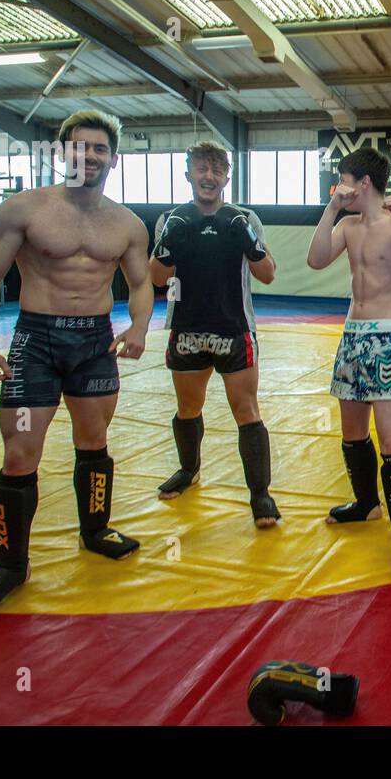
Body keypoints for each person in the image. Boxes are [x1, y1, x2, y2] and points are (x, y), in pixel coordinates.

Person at [0, 109, 151, 613]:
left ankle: (96, 529)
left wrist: (139, 327)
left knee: (94, 440)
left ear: (114, 157)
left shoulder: (126, 223)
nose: (89, 156)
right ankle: (9, 568)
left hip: (94, 344)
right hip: (36, 343)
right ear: (61, 152)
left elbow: (140, 283)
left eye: (99, 148)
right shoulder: (23, 210)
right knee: (20, 452)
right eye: (79, 147)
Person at [307, 147, 391, 592]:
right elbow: (315, 260)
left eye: (342, 179)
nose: (339, 185)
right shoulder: (346, 225)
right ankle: (367, 503)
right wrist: (330, 208)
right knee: (352, 433)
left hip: (387, 337)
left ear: (361, 182)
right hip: (352, 335)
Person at [148, 139, 279, 525]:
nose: (209, 176)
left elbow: (268, 274)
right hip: (186, 328)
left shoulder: (245, 217)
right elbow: (157, 278)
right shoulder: (171, 218)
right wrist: (166, 242)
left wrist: (249, 241)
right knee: (188, 408)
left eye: (216, 169)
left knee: (246, 411)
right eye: (201, 169)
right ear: (188, 174)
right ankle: (189, 470)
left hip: (234, 328)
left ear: (226, 176)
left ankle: (260, 494)